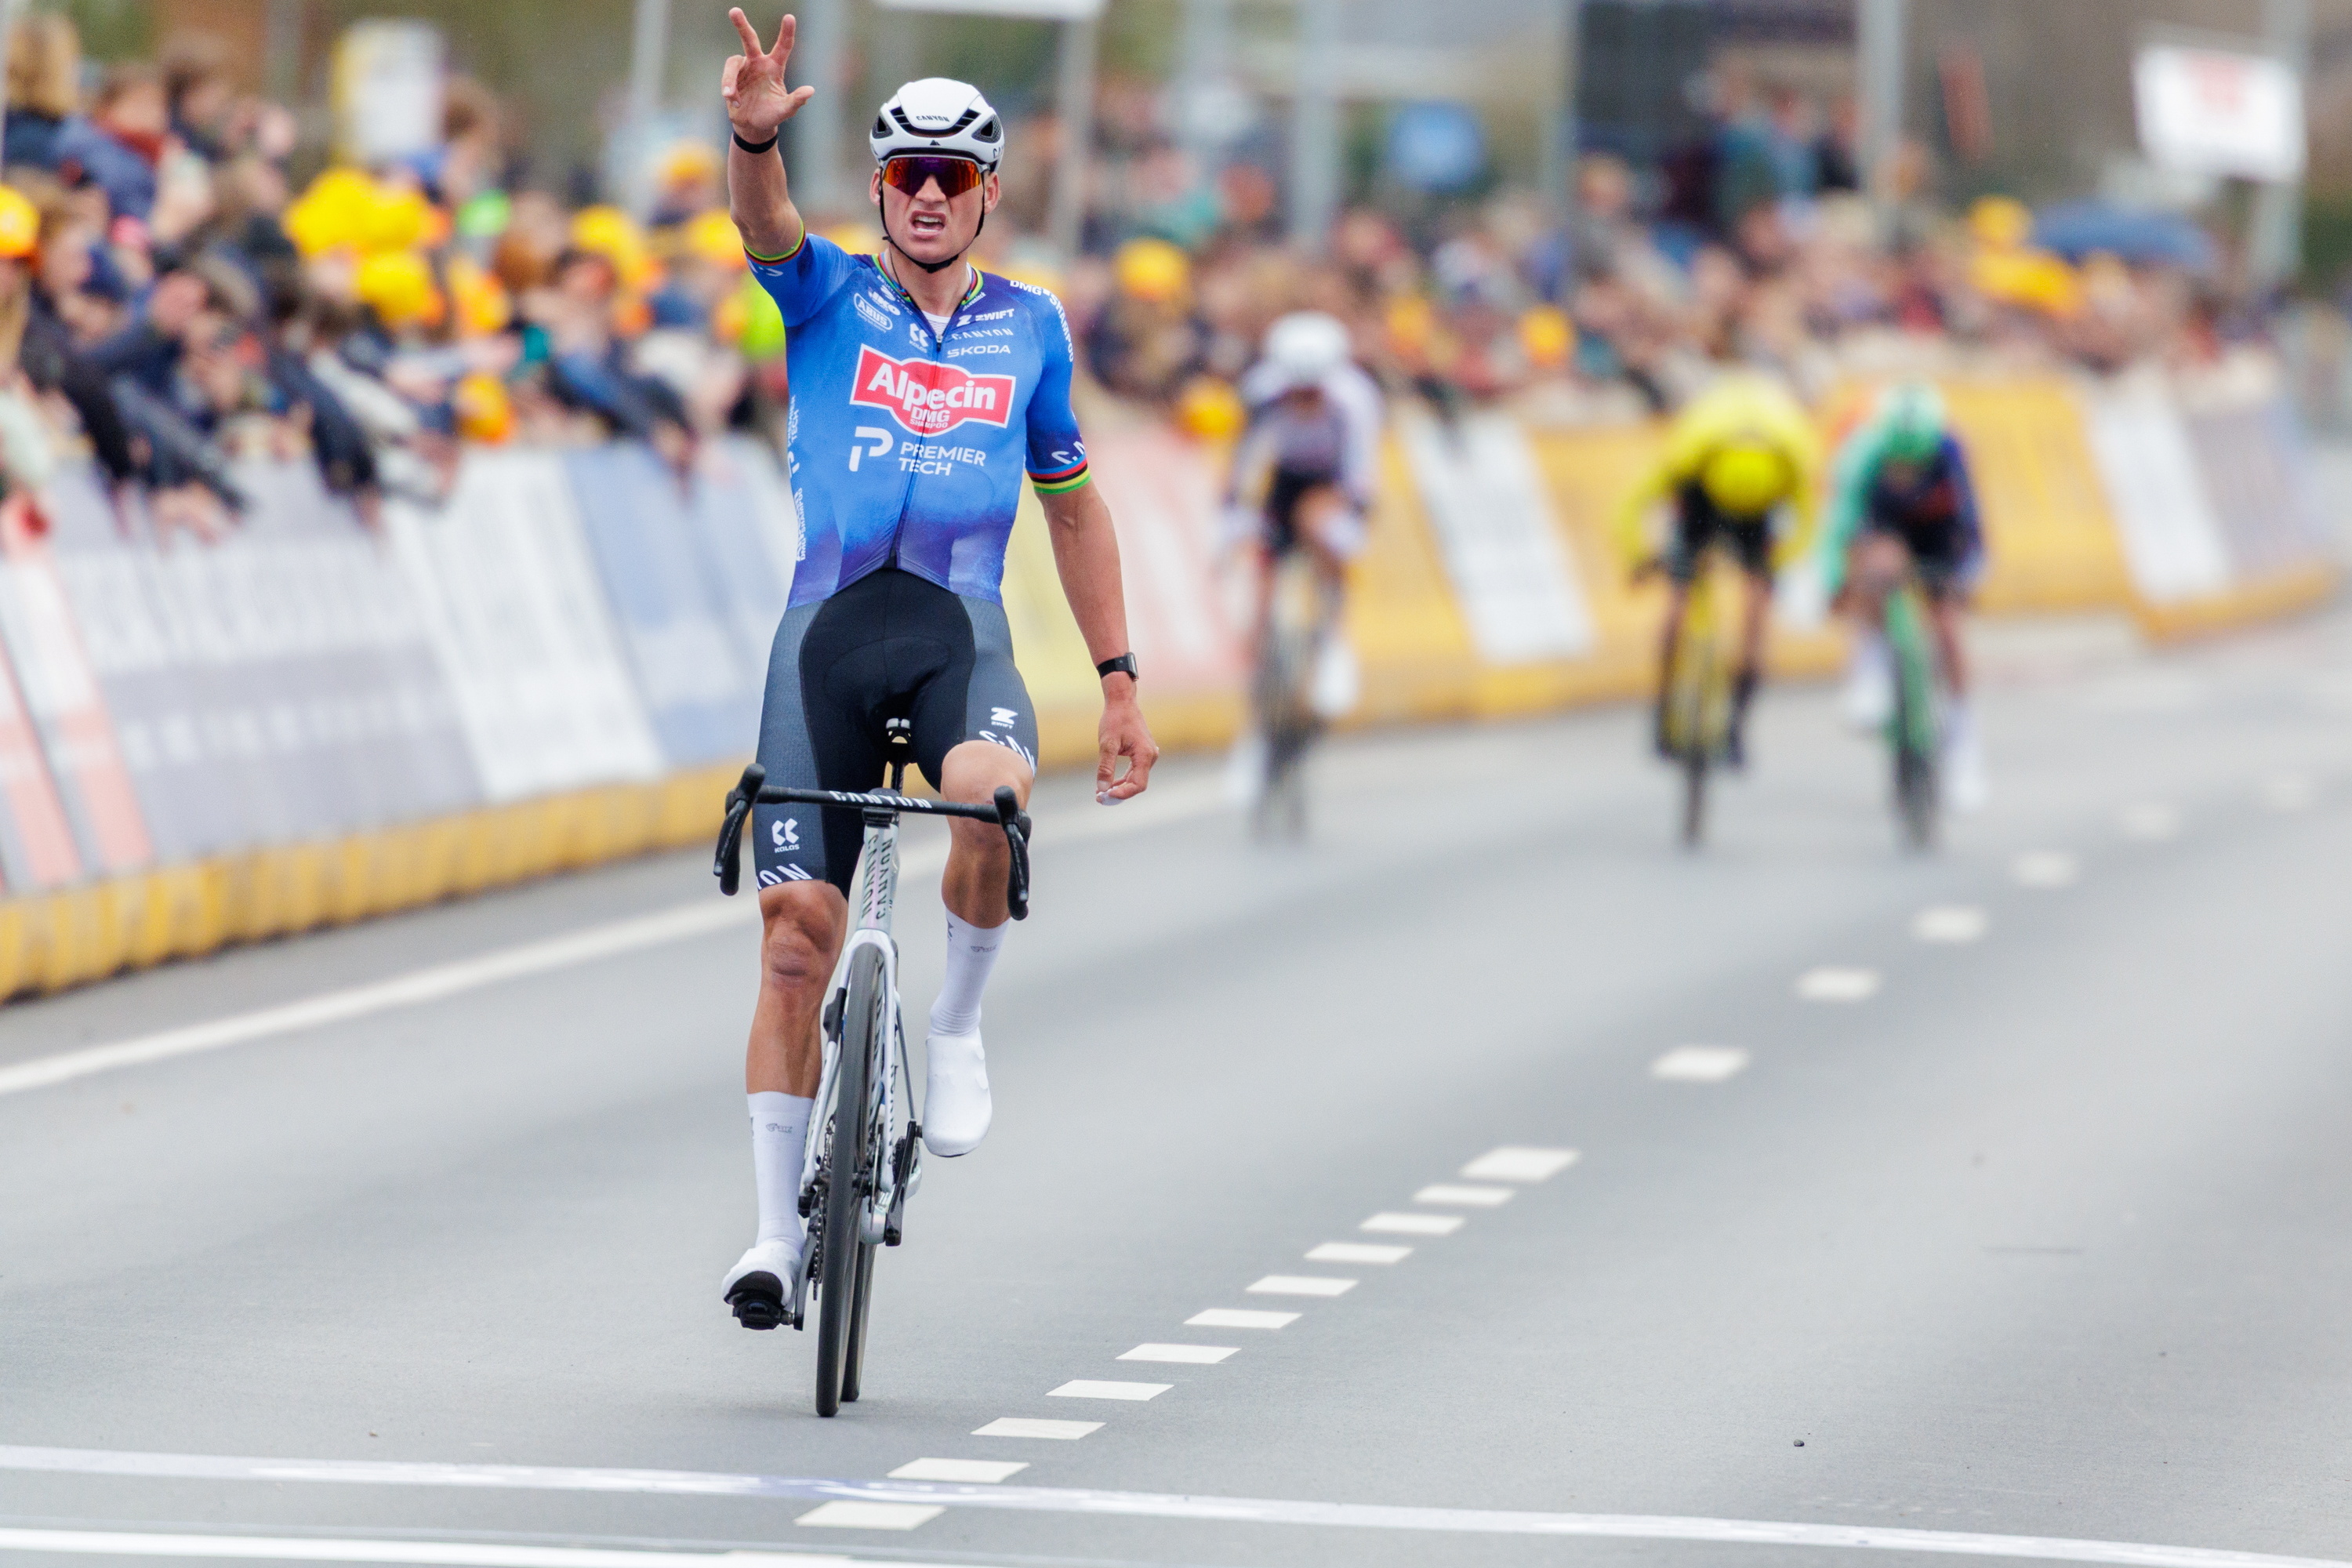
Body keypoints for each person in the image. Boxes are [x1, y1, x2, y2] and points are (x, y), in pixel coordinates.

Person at [715, 9, 1159, 1327]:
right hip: (828, 638)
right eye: (904, 171)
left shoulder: (1032, 328)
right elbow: (763, 225)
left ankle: (957, 1021)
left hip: (958, 633)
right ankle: (769, 1237)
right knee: (796, 941)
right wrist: (749, 139)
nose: (924, 194)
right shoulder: (828, 293)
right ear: (876, 185)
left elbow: (1074, 508)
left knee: (988, 793)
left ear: (986, 195)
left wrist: (1119, 676)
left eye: (950, 176)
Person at [1614, 372, 1820, 768]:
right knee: (1679, 604)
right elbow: (1633, 506)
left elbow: (1808, 525)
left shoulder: (1793, 459)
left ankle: (1737, 723)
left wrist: (1779, 561)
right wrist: (1640, 555)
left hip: (1758, 513)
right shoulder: (1689, 456)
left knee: (1756, 613)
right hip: (1702, 503)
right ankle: (1663, 702)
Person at [1820, 382, 1987, 811]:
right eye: (1898, 464)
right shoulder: (1863, 454)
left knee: (1948, 626)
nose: (1906, 472)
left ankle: (1962, 744)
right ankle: (1870, 668)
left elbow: (1972, 526)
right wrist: (1837, 583)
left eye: (1915, 465)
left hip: (1936, 535)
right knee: (1877, 566)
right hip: (1886, 529)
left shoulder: (1950, 453)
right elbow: (1839, 530)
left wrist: (1967, 576)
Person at [1225, 310, 1380, 663]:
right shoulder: (1261, 392)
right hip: (1286, 476)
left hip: (1332, 479)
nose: (1305, 400)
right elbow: (1243, 459)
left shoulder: (1356, 399)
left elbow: (1362, 470)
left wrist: (1353, 520)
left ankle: (1334, 638)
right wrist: (1235, 514)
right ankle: (1260, 671)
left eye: (1314, 392)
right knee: (1263, 559)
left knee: (1321, 528)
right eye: (1297, 391)